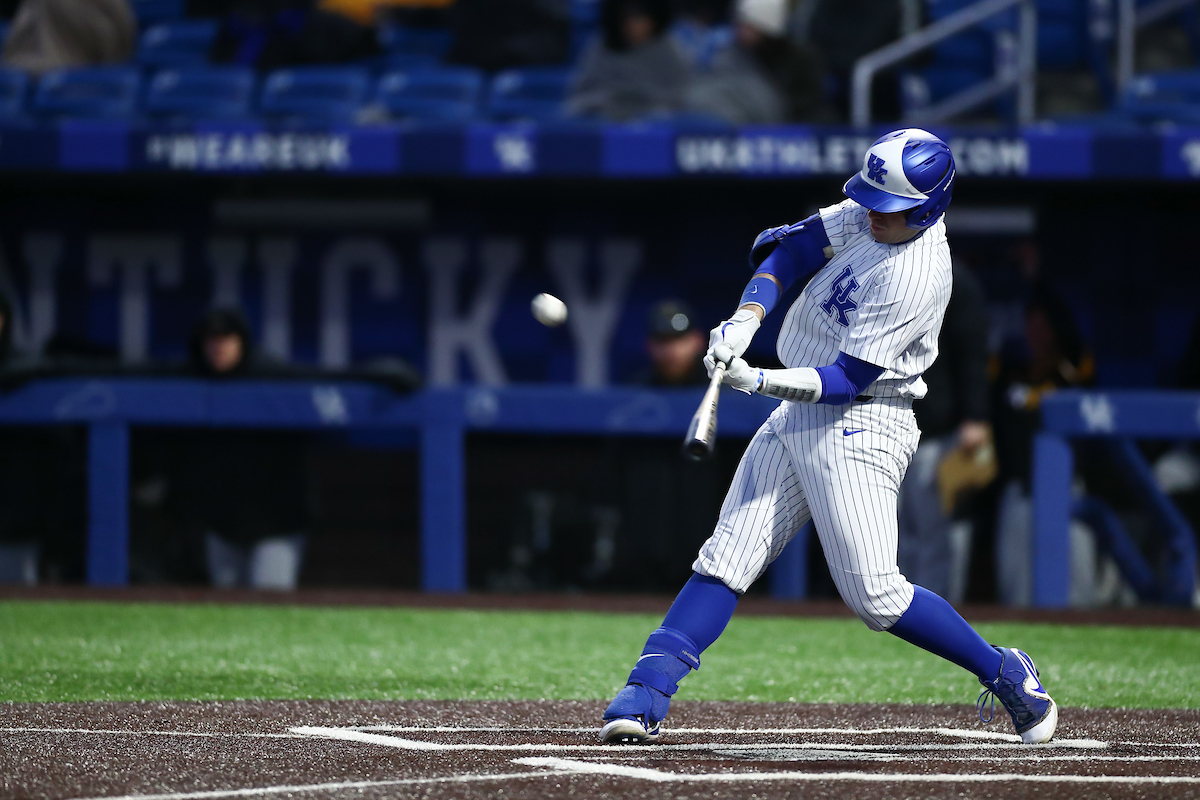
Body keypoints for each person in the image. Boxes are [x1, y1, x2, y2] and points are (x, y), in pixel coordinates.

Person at [599, 129, 1059, 747]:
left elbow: (847, 380)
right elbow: (789, 251)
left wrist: (754, 377)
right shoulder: (875, 211)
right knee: (727, 555)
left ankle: (1005, 671)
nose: (871, 214)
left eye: (887, 209)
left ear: (926, 210)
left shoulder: (917, 275)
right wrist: (747, 318)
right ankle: (648, 689)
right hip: (799, 411)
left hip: (865, 422)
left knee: (875, 595)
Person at [175, 308, 309, 590]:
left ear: (241, 342)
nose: (218, 347)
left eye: (225, 339)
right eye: (210, 340)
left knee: (270, 599)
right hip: (223, 523)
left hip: (276, 521)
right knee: (226, 609)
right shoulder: (192, 381)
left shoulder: (274, 378)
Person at [896, 262, 992, 603]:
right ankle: (893, 614)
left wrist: (975, 415)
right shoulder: (887, 273)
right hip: (888, 427)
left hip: (936, 430)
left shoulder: (956, 281)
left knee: (932, 532)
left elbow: (973, 354)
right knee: (893, 533)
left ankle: (927, 615)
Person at [685, 0, 828, 124]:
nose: (742, 33)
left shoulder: (801, 58)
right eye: (740, 25)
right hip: (747, 127)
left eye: (750, 27)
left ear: (767, 29)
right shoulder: (732, 53)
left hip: (790, 131)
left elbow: (807, 106)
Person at [565, 0, 690, 122]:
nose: (632, 24)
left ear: (653, 18)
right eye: (625, 17)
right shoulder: (602, 46)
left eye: (639, 17)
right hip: (604, 122)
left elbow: (683, 97)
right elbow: (579, 98)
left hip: (655, 127)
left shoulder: (670, 50)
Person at [635, 299, 709, 386]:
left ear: (698, 340)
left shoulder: (719, 385)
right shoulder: (636, 391)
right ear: (648, 345)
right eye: (662, 340)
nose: (671, 351)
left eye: (680, 339)